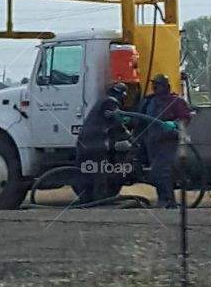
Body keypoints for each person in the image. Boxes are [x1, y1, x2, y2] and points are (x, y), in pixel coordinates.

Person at [141, 74, 191, 208]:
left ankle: (169, 201)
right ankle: (163, 199)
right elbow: (141, 120)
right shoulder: (149, 102)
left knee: (162, 170)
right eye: (154, 84)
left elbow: (185, 118)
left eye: (158, 84)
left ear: (166, 86)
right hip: (152, 142)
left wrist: (175, 124)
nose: (155, 87)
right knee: (156, 172)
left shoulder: (176, 101)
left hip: (168, 141)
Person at [75, 82, 131, 203]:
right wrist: (128, 135)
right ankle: (100, 200)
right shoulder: (110, 102)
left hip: (84, 143)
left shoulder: (101, 102)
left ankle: (87, 200)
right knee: (100, 173)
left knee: (87, 173)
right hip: (96, 144)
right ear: (121, 94)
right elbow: (117, 123)